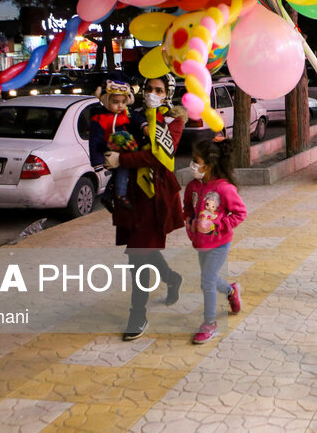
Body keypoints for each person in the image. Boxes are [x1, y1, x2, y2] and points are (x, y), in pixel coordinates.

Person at [105, 74, 186, 340]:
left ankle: (137, 313)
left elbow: (158, 157)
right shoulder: (134, 115)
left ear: (167, 93)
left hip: (155, 197)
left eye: (159, 89)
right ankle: (172, 278)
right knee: (142, 250)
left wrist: (122, 160)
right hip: (131, 195)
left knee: (137, 256)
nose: (152, 93)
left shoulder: (174, 120)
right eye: (149, 88)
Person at [184, 137, 246, 343]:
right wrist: (190, 222)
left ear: (209, 165)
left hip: (220, 243)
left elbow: (240, 213)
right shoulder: (193, 186)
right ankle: (231, 290)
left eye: (196, 161)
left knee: (207, 281)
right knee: (208, 279)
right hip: (201, 243)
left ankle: (210, 324)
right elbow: (188, 207)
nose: (192, 165)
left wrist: (217, 226)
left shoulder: (224, 188)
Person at [90, 77, 143, 209]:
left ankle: (107, 196)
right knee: (123, 169)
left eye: (123, 102)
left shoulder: (125, 113)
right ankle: (120, 196)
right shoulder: (100, 118)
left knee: (118, 173)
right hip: (108, 148)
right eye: (115, 102)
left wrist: (144, 125)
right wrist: (97, 163)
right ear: (106, 101)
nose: (120, 105)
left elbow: (136, 117)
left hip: (122, 146)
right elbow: (94, 140)